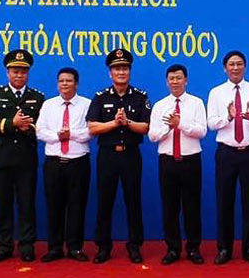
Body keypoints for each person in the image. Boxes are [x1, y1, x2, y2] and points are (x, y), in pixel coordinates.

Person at [87, 48, 151, 264]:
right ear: (110, 73)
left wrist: (128, 123)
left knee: (133, 200)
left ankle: (134, 245)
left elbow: (146, 127)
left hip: (131, 156)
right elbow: (92, 128)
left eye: (124, 68)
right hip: (107, 156)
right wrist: (114, 123)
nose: (121, 72)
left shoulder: (140, 97)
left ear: (130, 71)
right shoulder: (100, 97)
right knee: (105, 201)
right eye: (116, 68)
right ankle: (103, 246)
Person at [206, 50, 249, 265]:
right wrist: (228, 117)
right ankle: (224, 248)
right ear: (225, 68)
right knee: (225, 201)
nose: (235, 68)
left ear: (245, 67)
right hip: (226, 153)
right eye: (231, 64)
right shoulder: (216, 92)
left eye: (239, 64)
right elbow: (211, 123)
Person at [0, 49, 45, 263]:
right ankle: (4, 245)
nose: (19, 75)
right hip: (1, 158)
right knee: (4, 204)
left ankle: (27, 245)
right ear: (7, 72)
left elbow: (42, 126)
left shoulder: (37, 97)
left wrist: (26, 126)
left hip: (26, 158)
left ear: (28, 73)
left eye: (23, 72)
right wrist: (11, 124)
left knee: (27, 203)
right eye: (15, 71)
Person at [148, 63, 208, 265]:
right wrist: (167, 128)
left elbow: (202, 131)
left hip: (191, 161)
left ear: (186, 80)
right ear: (167, 82)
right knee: (169, 207)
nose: (175, 82)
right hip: (167, 162)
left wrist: (180, 125)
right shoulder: (159, 105)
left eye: (179, 78)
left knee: (192, 206)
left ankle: (193, 248)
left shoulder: (196, 103)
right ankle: (173, 248)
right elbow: (152, 136)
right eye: (171, 78)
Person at [37, 67, 92, 262]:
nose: (65, 84)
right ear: (57, 84)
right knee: (54, 206)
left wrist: (72, 134)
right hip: (53, 162)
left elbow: (90, 132)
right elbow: (40, 131)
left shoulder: (87, 104)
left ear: (76, 84)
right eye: (61, 81)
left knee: (77, 205)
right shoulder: (48, 105)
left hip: (78, 162)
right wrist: (57, 136)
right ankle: (54, 248)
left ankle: (75, 247)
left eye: (69, 81)